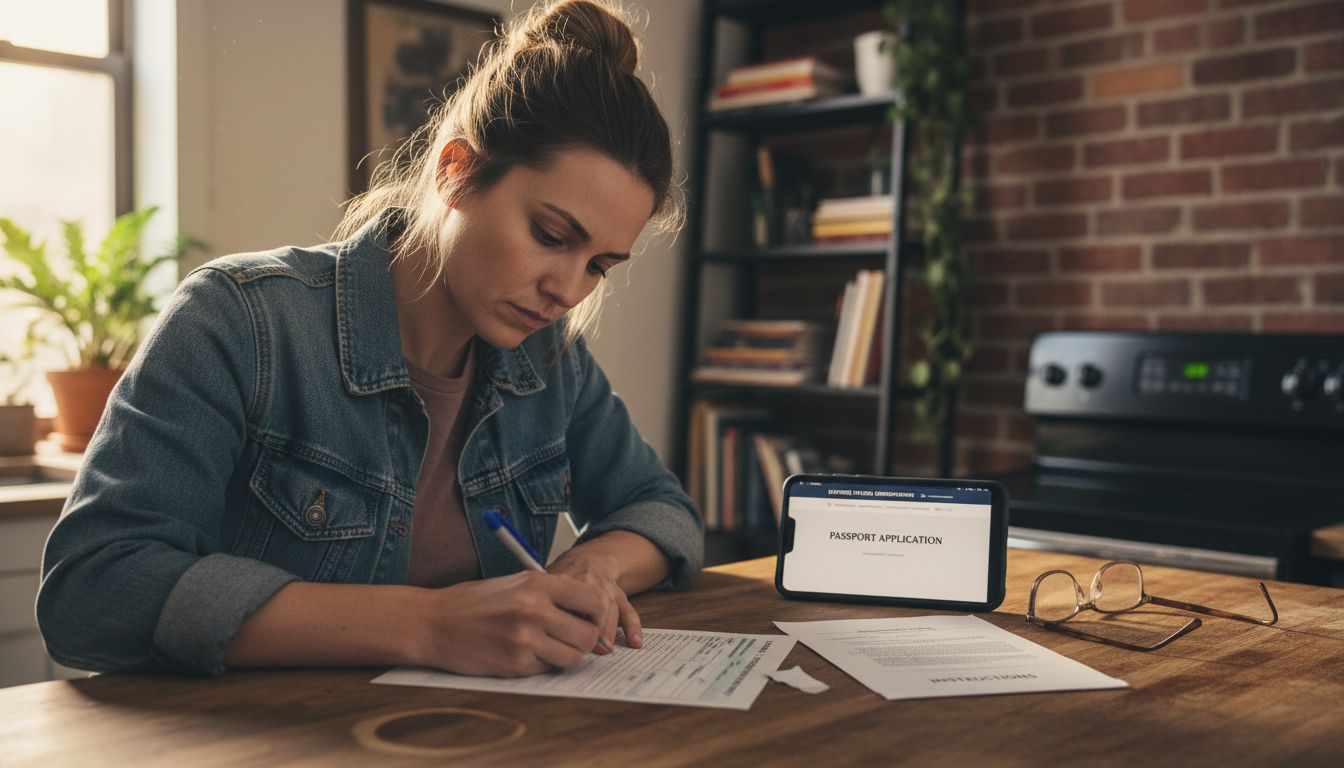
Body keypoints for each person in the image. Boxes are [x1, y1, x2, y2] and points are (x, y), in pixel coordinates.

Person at [37, 0, 702, 679]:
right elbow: (93, 592)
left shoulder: (549, 358)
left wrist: (592, 566)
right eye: (551, 237)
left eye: (598, 266)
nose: (567, 290)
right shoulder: (240, 322)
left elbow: (661, 510)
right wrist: (431, 626)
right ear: (456, 171)